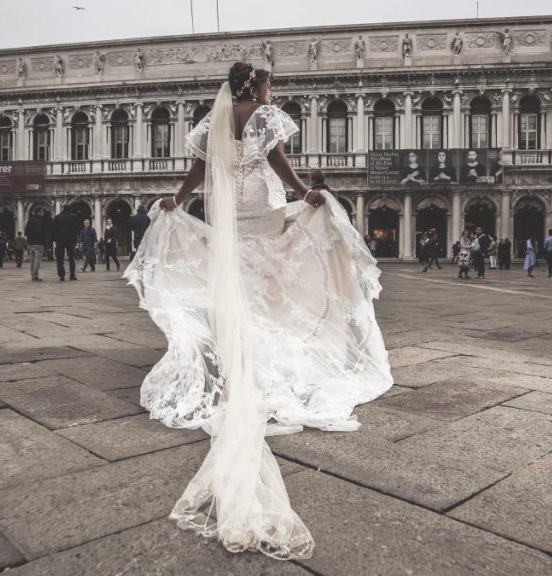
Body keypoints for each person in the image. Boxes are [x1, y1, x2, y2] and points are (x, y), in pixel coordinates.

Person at [125, 62, 392, 559]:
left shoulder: (214, 120)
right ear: (256, 85)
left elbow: (199, 172)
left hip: (228, 215)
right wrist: (305, 193)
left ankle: (240, 357)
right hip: (262, 209)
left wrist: (177, 202)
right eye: (269, 83)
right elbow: (278, 164)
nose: (273, 90)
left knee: (236, 286)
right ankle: (266, 356)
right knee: (271, 282)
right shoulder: (265, 115)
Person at [53, 207, 81, 281]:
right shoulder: (74, 217)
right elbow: (77, 227)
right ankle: (72, 275)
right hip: (71, 240)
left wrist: (55, 238)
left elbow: (54, 229)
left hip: (59, 240)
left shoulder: (57, 217)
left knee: (60, 259)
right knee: (71, 258)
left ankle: (61, 276)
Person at [24, 211, 45, 281]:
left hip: (31, 243)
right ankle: (35, 275)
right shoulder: (39, 220)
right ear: (38, 212)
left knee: (32, 260)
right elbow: (40, 231)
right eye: (42, 212)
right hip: (38, 243)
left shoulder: (29, 220)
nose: (43, 213)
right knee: (37, 260)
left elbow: (25, 232)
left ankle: (33, 275)